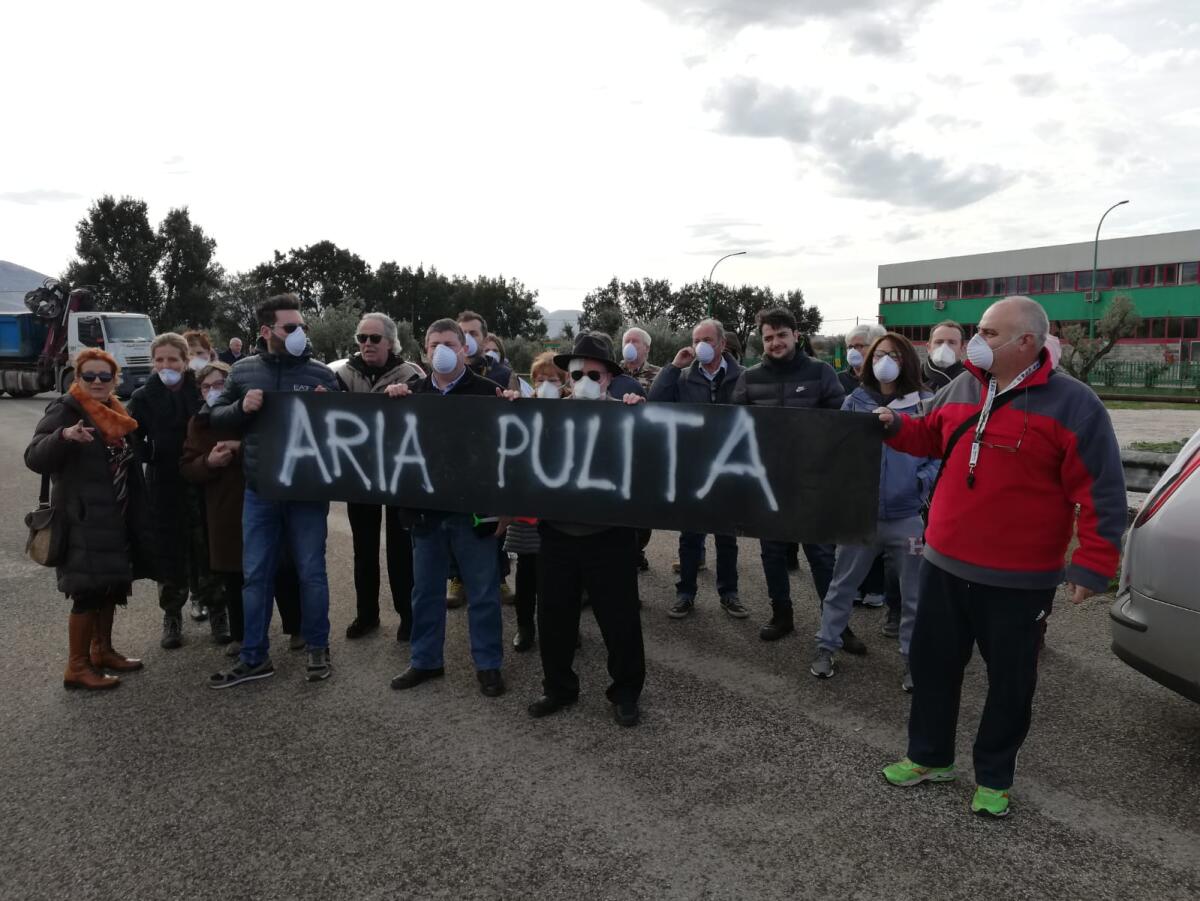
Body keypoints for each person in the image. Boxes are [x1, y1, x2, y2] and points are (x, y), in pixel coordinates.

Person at [876, 296, 1125, 818]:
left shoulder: (1075, 405)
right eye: (979, 330)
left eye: (988, 333)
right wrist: (895, 426)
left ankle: (994, 775)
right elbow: (929, 436)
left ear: (1026, 342)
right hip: (944, 563)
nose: (976, 342)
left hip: (1020, 580)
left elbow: (1101, 491)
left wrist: (1093, 564)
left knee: (1010, 682)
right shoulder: (963, 388)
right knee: (933, 667)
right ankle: (929, 757)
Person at [207, 294, 341, 689]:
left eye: (303, 326)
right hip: (261, 490)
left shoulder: (320, 374)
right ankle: (254, 656)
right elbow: (216, 418)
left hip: (307, 491)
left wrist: (329, 409)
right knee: (256, 575)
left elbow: (344, 430)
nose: (300, 333)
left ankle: (318, 648)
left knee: (311, 573)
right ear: (266, 331)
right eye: (291, 327)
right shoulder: (243, 371)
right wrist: (241, 408)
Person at [526, 333, 647, 726]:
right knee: (554, 617)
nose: (584, 381)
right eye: (577, 374)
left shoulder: (626, 415)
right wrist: (513, 408)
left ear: (609, 377)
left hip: (610, 536)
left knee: (620, 619)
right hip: (557, 535)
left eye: (594, 375)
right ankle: (558, 687)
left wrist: (641, 416)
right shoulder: (547, 414)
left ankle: (626, 692)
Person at [385, 319, 508, 698]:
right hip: (426, 512)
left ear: (464, 349)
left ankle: (488, 664)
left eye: (449, 344)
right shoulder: (411, 394)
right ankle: (425, 660)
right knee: (425, 592)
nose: (441, 350)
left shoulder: (488, 392)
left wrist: (504, 508)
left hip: (474, 513)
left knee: (483, 592)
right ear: (424, 351)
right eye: (434, 344)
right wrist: (390, 400)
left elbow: (507, 453)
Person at [810, 333, 937, 689]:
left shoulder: (924, 403)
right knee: (841, 587)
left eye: (894, 355)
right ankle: (825, 647)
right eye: (880, 354)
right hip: (861, 517)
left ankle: (913, 660)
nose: (886, 361)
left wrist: (920, 484)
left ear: (907, 360)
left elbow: (936, 454)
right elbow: (838, 451)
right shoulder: (854, 401)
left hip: (907, 518)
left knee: (914, 595)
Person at [25, 348, 157, 690]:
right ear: (78, 377)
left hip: (118, 512)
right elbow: (34, 456)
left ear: (114, 380)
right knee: (87, 590)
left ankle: (102, 651)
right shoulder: (65, 409)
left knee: (111, 584)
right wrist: (64, 437)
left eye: (104, 376)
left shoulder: (117, 412)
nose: (97, 381)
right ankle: (77, 666)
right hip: (83, 516)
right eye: (89, 376)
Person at [730, 308, 862, 650]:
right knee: (772, 553)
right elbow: (735, 429)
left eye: (781, 335)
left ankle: (837, 624)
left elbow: (842, 421)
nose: (775, 342)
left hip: (812, 482)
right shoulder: (749, 377)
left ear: (795, 336)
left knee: (821, 555)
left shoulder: (821, 372)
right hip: (768, 482)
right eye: (768, 337)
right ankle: (781, 615)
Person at [180, 362, 304, 659]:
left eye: (219, 384)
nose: (213, 391)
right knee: (234, 576)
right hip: (224, 508)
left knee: (281, 569)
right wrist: (208, 462)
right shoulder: (199, 423)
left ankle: (296, 628)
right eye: (206, 387)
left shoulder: (253, 413)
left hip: (264, 499)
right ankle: (241, 635)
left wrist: (240, 448)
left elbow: (279, 446)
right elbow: (187, 466)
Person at [647, 318, 747, 620]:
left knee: (726, 537)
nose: (700, 345)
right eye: (696, 340)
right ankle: (685, 593)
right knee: (690, 536)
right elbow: (655, 401)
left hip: (728, 468)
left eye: (707, 340)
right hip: (692, 467)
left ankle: (729, 593)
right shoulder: (682, 378)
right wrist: (673, 366)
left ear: (722, 344)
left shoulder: (743, 376)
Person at [128, 332, 223, 649]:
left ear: (185, 361)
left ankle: (217, 610)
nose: (166, 365)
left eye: (172, 359)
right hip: (164, 483)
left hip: (202, 478)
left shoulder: (200, 391)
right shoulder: (143, 396)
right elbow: (130, 436)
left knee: (208, 547)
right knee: (169, 551)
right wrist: (149, 453)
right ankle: (171, 615)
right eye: (159, 360)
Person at [336, 312, 426, 642]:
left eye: (375, 338)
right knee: (364, 548)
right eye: (362, 338)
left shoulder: (412, 374)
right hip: (360, 474)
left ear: (390, 342)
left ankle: (408, 615)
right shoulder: (342, 375)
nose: (367, 344)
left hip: (400, 473)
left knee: (401, 550)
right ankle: (367, 614)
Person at [507, 352, 572, 652]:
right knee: (527, 571)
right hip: (529, 508)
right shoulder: (522, 409)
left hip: (562, 507)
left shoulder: (575, 411)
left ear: (564, 383)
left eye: (553, 380)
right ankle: (525, 625)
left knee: (562, 574)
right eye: (540, 379)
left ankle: (565, 627)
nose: (545, 385)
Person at [458, 310, 514, 389]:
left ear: (485, 341)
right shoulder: (448, 372)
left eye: (473, 334)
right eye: (462, 334)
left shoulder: (505, 375)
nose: (467, 339)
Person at [838, 323, 887, 395]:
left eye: (859, 346)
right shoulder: (838, 380)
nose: (852, 351)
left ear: (876, 348)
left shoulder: (885, 380)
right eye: (850, 347)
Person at [922, 320, 967, 391]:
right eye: (939, 342)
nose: (944, 347)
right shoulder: (914, 377)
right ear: (929, 348)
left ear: (962, 349)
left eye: (952, 342)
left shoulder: (971, 379)